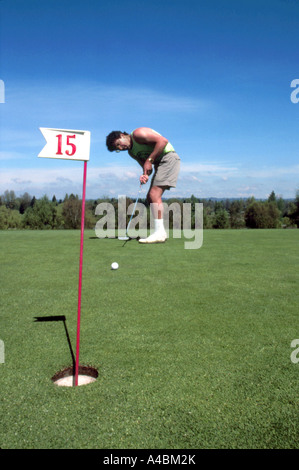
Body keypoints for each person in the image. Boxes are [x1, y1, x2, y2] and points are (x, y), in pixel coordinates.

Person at [106, 127, 180, 243]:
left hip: (168, 158)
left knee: (154, 195)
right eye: (118, 149)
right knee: (150, 198)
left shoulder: (138, 134)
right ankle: (161, 232)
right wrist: (145, 174)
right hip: (159, 164)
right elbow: (147, 168)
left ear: (121, 135)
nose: (121, 148)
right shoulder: (132, 152)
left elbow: (163, 141)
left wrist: (149, 161)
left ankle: (159, 233)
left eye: (119, 144)